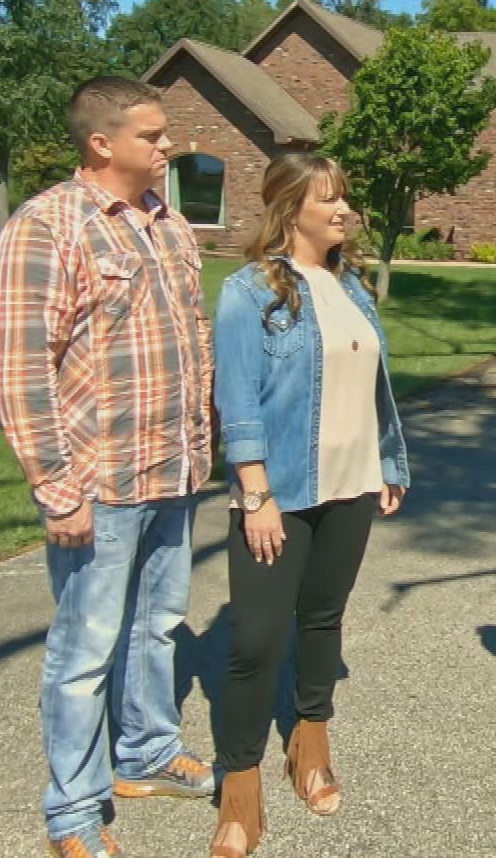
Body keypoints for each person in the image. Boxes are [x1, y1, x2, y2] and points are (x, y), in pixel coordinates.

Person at [0, 76, 219, 858]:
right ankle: (75, 810)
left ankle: (146, 755)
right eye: (153, 137)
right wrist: (58, 489)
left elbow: (192, 344)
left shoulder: (170, 225)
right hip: (100, 481)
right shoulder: (48, 226)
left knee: (156, 627)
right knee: (84, 652)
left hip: (173, 472)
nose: (166, 148)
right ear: (102, 143)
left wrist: (205, 446)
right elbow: (20, 370)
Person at [207, 152, 410, 858]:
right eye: (329, 199)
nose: (344, 210)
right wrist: (256, 495)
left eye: (345, 198)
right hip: (279, 495)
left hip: (351, 485)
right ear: (291, 207)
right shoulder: (248, 292)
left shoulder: (352, 285)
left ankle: (309, 744)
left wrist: (387, 462)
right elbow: (238, 404)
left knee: (322, 620)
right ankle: (238, 789)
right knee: (255, 642)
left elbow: (371, 387)